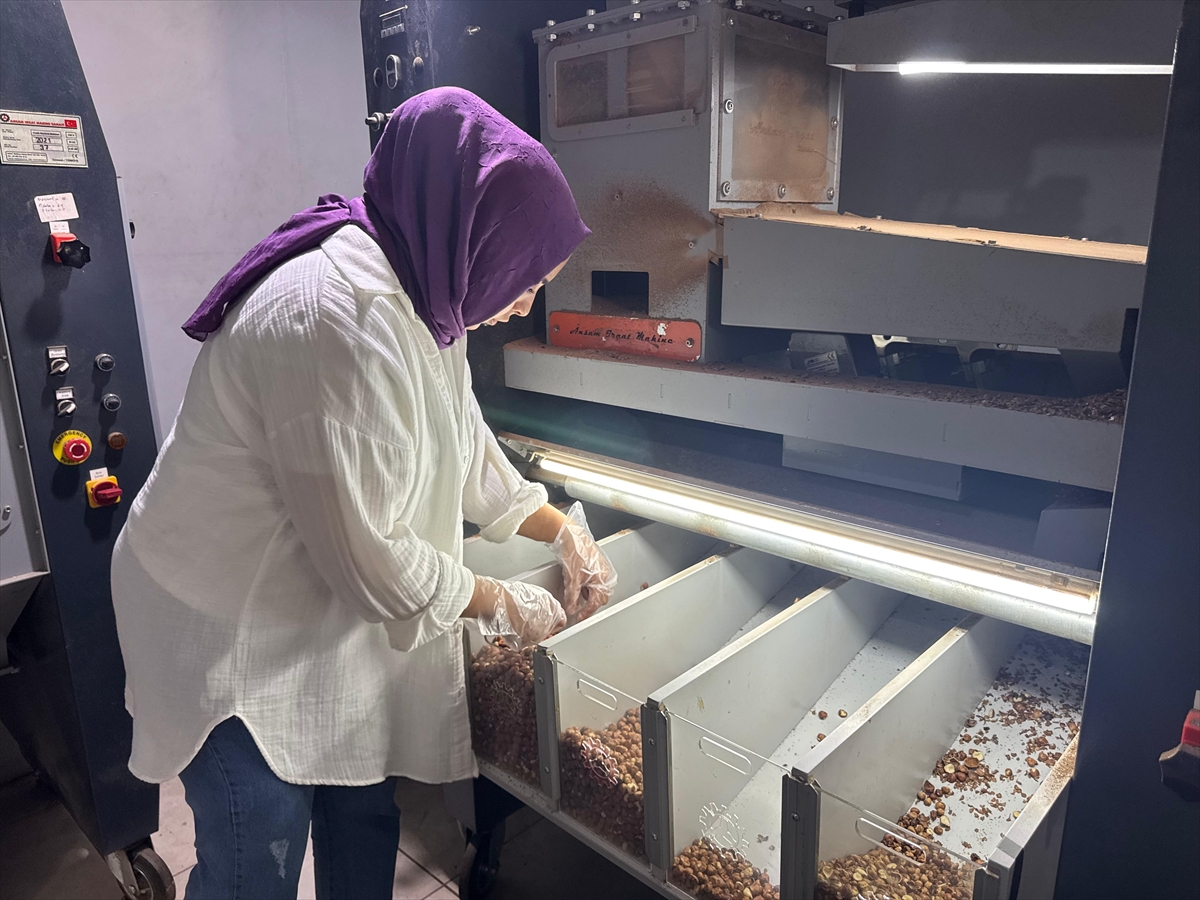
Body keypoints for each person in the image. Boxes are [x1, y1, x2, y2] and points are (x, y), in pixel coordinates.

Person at [109, 87, 617, 900]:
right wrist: (502, 601)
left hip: (312, 596)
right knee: (258, 844)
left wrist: (561, 530)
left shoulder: (429, 283)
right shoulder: (334, 319)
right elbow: (376, 562)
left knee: (362, 808)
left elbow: (463, 447)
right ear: (470, 235)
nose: (527, 302)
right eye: (525, 278)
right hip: (226, 617)